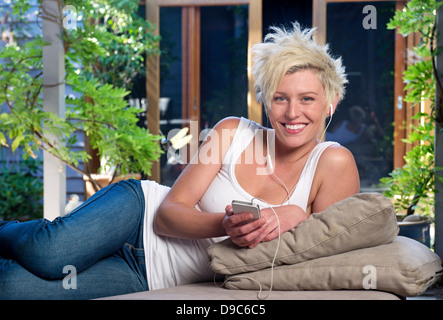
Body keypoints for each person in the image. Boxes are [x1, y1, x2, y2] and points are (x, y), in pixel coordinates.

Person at [0, 22, 359, 299]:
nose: (292, 112)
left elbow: (326, 255)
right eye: (280, 98)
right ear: (266, 102)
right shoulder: (233, 133)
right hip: (136, 215)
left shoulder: (334, 164)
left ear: (331, 102)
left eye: (307, 99)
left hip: (152, 274)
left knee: (12, 287)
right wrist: (225, 225)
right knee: (48, 252)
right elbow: (168, 215)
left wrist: (301, 216)